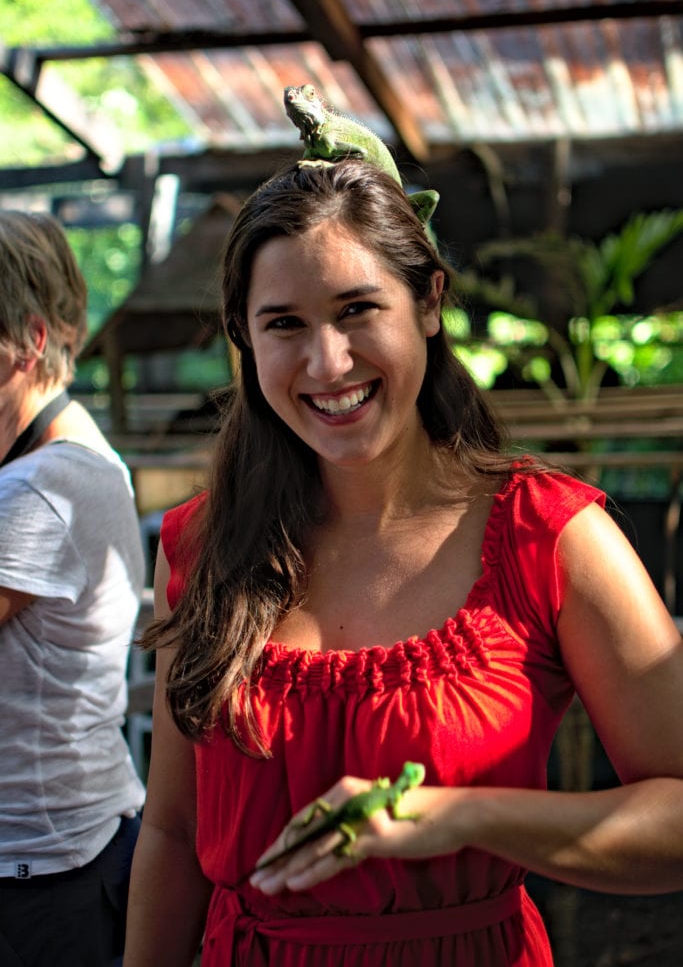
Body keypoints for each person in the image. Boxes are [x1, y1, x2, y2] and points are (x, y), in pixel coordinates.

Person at [123, 160, 683, 967]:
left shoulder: (547, 534)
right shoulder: (206, 544)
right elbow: (174, 833)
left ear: (428, 303)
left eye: (357, 310)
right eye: (283, 324)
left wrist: (463, 816)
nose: (326, 363)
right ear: (243, 337)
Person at [0, 211, 146, 966]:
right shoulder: (71, 451)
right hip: (69, 847)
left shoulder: (43, 486)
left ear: (26, 340)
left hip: (42, 872)